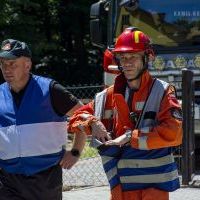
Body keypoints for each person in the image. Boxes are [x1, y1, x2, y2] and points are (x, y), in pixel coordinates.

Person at [68, 27, 183, 200]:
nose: (127, 63)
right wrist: (92, 122)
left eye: (133, 56)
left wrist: (130, 137)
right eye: (123, 57)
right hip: (119, 189)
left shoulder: (164, 92)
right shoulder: (108, 95)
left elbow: (174, 133)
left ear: (148, 57)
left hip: (153, 189)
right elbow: (75, 119)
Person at [0, 39, 86, 200]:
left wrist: (75, 151)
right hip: (7, 180)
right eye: (3, 64)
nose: (6, 69)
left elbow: (84, 115)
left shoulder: (49, 89)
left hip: (45, 179)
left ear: (27, 65)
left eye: (12, 64)